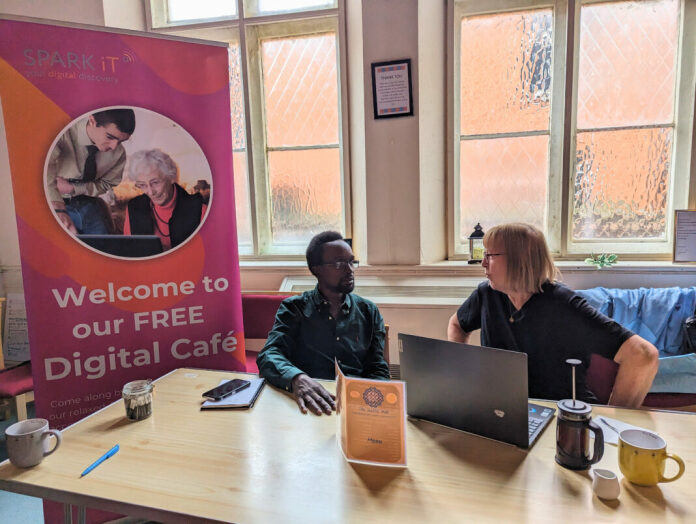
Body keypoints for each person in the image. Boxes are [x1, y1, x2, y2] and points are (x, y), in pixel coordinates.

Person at [447, 223, 658, 408]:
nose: (483, 262)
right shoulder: (486, 295)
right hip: (506, 410)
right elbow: (457, 325)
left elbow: (643, 355)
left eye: (489, 255)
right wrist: (465, 370)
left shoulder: (564, 305)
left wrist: (614, 421)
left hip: (562, 417)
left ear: (519, 260)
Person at [257, 231, 390, 416]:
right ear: (316, 269)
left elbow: (377, 368)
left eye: (351, 262)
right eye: (338, 264)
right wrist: (297, 378)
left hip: (356, 407)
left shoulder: (368, 311)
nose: (350, 270)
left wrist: (374, 405)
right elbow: (270, 354)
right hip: (308, 406)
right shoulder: (294, 308)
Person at [47, 108, 136, 235]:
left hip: (90, 205)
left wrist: (74, 188)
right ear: (92, 120)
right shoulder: (61, 133)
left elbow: (107, 184)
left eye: (121, 141)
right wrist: (58, 208)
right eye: (110, 137)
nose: (114, 147)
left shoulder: (119, 152)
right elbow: (44, 168)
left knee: (104, 249)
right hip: (55, 203)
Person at [123, 149, 207, 251]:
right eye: (142, 185)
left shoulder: (199, 210)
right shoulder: (134, 208)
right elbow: (130, 251)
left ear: (172, 177)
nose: (150, 192)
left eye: (155, 182)